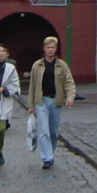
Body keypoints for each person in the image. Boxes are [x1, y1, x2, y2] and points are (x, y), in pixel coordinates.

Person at [27, 36, 76, 170]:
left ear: (56, 49)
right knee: (43, 130)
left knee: (53, 131)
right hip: (41, 100)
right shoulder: (37, 65)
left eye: (52, 47)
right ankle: (46, 158)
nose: (50, 50)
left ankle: (51, 152)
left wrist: (70, 97)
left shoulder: (61, 65)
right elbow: (32, 85)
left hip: (55, 101)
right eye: (48, 47)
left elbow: (69, 82)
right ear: (44, 49)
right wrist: (30, 105)